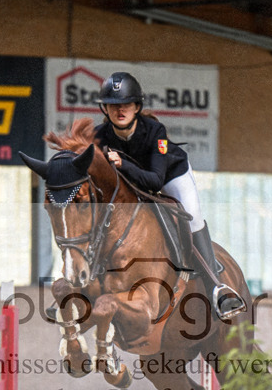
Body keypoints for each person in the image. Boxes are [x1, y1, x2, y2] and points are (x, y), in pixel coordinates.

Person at [94, 71, 246, 320]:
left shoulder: (155, 131)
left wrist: (122, 164)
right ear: (105, 109)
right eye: (112, 105)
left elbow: (154, 181)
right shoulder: (100, 136)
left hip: (170, 176)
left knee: (192, 217)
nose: (119, 110)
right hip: (131, 184)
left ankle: (217, 287)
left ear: (136, 107)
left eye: (126, 104)